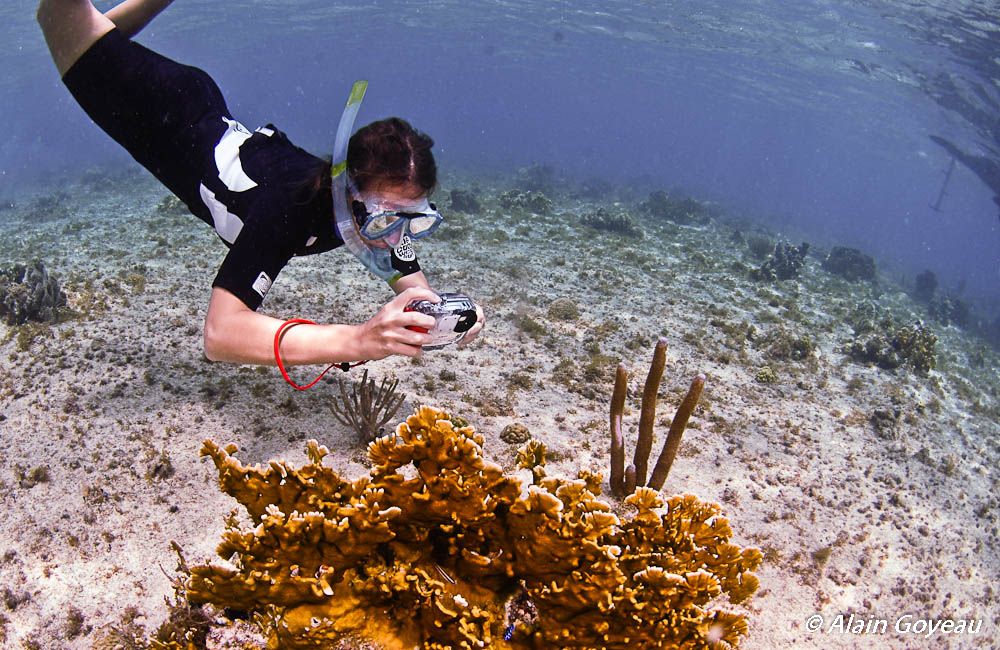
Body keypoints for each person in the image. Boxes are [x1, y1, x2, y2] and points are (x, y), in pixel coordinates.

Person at [36, 0, 484, 373]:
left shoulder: (373, 214)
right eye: (386, 217)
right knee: (56, 15)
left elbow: (413, 290)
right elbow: (220, 335)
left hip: (202, 104)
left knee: (96, 38)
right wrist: (358, 340)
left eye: (415, 220)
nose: (394, 236)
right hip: (158, 112)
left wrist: (451, 314)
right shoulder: (288, 208)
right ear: (348, 195)